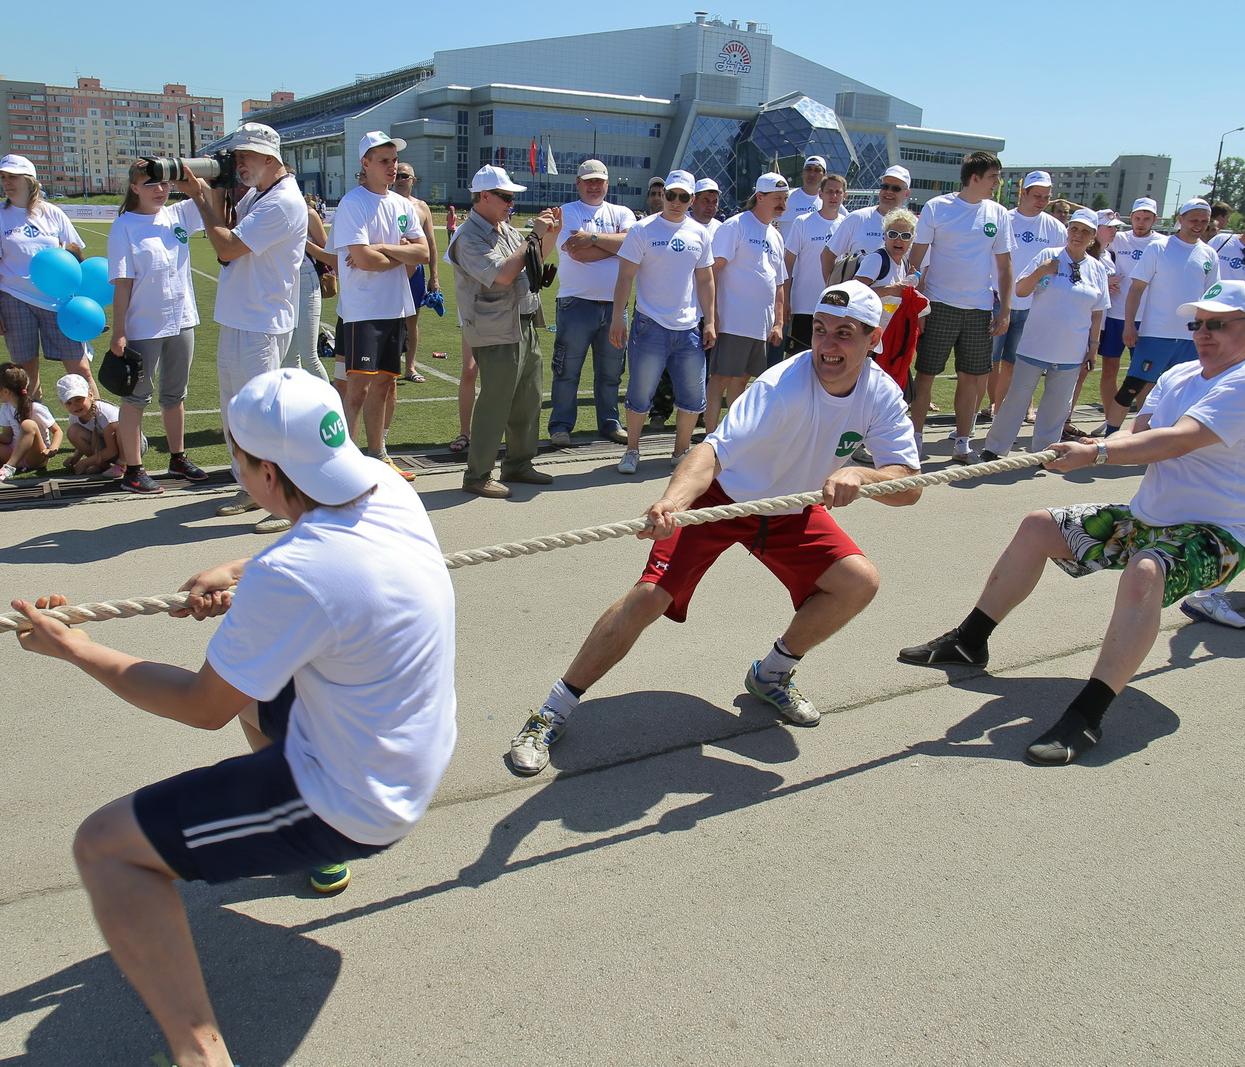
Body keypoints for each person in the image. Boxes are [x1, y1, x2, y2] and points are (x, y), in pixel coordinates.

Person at [12, 368, 456, 1067]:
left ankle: (200, 1055)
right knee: (257, 684)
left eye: (239, 462)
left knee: (105, 846)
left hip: (357, 799)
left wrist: (77, 648)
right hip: (413, 744)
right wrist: (240, 568)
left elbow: (199, 706)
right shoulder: (385, 483)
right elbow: (317, 555)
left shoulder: (296, 573)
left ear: (265, 471)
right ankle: (295, 840)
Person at [507, 281, 922, 775]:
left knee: (858, 582)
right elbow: (710, 453)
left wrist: (863, 474)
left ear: (874, 339)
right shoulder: (780, 387)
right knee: (650, 596)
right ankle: (551, 711)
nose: (828, 345)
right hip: (723, 499)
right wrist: (672, 503)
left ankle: (771, 675)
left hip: (792, 507)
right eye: (819, 330)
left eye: (845, 334)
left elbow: (909, 484)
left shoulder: (882, 394)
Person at [898, 279, 1245, 765]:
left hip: (1217, 534)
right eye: (1198, 324)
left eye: (1218, 324)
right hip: (1149, 519)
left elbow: (1177, 441)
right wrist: (1091, 444)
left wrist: (1096, 452)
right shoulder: (1181, 374)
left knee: (1146, 572)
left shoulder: (1242, 383)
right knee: (1039, 525)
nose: (1203, 333)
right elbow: (1142, 434)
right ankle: (970, 642)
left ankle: (1087, 714)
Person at [182, 122, 308, 533]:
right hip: (241, 316)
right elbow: (228, 251)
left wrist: (202, 198)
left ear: (270, 158)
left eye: (245, 156)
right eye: (236, 157)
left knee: (263, 415)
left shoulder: (284, 202)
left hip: (262, 322)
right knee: (236, 414)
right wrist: (209, 198)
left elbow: (227, 246)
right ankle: (253, 488)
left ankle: (284, 501)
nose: (237, 164)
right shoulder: (260, 194)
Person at [448, 165, 561, 498]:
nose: (511, 203)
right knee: (495, 403)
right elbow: (502, 274)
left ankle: (518, 463)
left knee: (527, 399)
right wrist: (534, 236)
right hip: (496, 329)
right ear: (484, 196)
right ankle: (477, 474)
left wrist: (550, 233)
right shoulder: (468, 237)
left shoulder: (503, 229)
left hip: (522, 322)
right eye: (506, 197)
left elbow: (535, 257)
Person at [106, 161, 210, 495]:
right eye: (150, 183)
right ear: (134, 187)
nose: (160, 190)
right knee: (136, 397)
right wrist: (119, 330)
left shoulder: (178, 215)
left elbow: (209, 193)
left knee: (174, 394)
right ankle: (133, 470)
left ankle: (177, 458)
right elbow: (123, 283)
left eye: (164, 182)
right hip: (144, 325)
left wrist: (182, 171)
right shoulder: (124, 226)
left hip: (182, 319)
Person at [330, 132, 429, 482]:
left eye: (394, 161)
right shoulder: (353, 203)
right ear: (366, 163)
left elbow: (423, 253)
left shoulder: (403, 205)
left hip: (395, 307)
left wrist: (382, 249)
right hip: (363, 311)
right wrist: (396, 252)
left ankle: (377, 454)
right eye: (384, 160)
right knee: (357, 388)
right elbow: (362, 260)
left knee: (386, 384)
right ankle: (344, 463)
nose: (392, 167)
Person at [907, 151, 1015, 463]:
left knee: (972, 377)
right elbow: (916, 261)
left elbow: (1005, 267)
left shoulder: (997, 213)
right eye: (993, 176)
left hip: (979, 310)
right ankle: (915, 439)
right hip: (939, 305)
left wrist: (1004, 309)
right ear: (975, 177)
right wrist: (917, 307)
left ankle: (962, 442)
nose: (997, 183)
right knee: (925, 374)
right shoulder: (937, 207)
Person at [978, 208, 1109, 458]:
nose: (1078, 235)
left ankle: (1045, 452)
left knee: (1057, 406)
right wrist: (1042, 271)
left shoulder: (1097, 269)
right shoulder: (1048, 255)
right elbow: (1021, 290)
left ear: (1092, 237)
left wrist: (1093, 347)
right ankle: (995, 448)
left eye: (1085, 231)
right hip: (1035, 346)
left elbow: (1097, 312)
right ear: (1067, 230)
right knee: (1016, 399)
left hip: (1071, 350)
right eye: (1074, 229)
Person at [610, 169, 715, 474]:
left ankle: (680, 452)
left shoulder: (700, 233)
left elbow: (706, 279)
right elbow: (625, 277)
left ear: (691, 200)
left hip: (689, 328)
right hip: (650, 324)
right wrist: (618, 317)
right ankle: (632, 450)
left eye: (683, 197)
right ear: (663, 194)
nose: (676, 202)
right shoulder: (642, 230)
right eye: (671, 195)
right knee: (640, 393)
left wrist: (710, 321)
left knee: (693, 397)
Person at [1101, 199, 1219, 432]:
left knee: (1183, 392)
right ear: (1180, 219)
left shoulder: (1209, 254)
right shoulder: (1158, 248)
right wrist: (1129, 326)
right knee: (1132, 387)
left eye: (1203, 221)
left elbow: (1211, 298)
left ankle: (1164, 440)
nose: (1198, 225)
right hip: (1156, 333)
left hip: (1190, 338)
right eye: (1193, 220)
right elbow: (1136, 290)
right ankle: (1109, 438)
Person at [547, 159, 637, 446]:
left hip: (615, 304)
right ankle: (560, 426)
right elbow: (577, 253)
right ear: (578, 183)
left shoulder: (623, 212)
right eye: (588, 181)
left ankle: (609, 422)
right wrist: (616, 248)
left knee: (612, 371)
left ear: (607, 183)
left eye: (599, 181)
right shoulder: (568, 212)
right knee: (566, 370)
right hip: (576, 303)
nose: (594, 186)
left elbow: (633, 245)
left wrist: (594, 238)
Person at [0, 154, 96, 402]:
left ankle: (101, 426)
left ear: (30, 180)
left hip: (59, 301)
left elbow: (75, 254)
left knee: (80, 368)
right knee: (25, 372)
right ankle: (35, 431)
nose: (7, 183)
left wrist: (83, 299)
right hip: (14, 299)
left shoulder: (52, 213)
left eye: (13, 177)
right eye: (3, 177)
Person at [705, 173, 789, 434]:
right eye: (777, 198)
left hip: (760, 326)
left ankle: (732, 436)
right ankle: (710, 436)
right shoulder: (735, 225)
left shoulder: (775, 235)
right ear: (760, 197)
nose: (782, 204)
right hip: (733, 321)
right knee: (720, 379)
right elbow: (713, 271)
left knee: (742, 381)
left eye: (785, 199)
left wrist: (779, 322)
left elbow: (779, 284)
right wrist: (713, 316)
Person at [982, 171, 1067, 422]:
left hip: (1034, 305)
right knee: (990, 360)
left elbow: (1059, 265)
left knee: (1017, 361)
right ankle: (995, 404)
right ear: (1023, 193)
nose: (1041, 201)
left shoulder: (1055, 227)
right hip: (999, 301)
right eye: (1036, 195)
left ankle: (1008, 408)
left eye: (1046, 197)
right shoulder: (1004, 219)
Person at [784, 172, 848, 351]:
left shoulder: (848, 224)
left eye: (838, 192)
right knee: (797, 358)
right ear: (820, 194)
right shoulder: (803, 222)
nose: (833, 196)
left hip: (835, 307)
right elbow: (787, 263)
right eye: (829, 192)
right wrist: (785, 300)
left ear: (845, 195)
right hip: (804, 305)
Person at [820, 165, 912, 281]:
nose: (889, 192)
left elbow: (918, 267)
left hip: (895, 298)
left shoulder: (913, 226)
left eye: (896, 188)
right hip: (857, 297)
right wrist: (833, 289)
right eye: (885, 186)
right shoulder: (857, 218)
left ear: (907, 193)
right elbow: (828, 255)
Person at [392, 164, 439, 385]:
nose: (400, 179)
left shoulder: (422, 207)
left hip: (415, 271)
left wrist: (434, 276)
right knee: (388, 319)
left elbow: (431, 244)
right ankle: (387, 365)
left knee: (412, 321)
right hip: (389, 268)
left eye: (404, 176)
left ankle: (410, 366)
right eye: (397, 175)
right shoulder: (386, 202)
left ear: (413, 179)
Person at [285, 194, 332, 385]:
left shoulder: (308, 213)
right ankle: (296, 408)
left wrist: (302, 242)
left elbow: (328, 250)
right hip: (282, 282)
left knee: (309, 354)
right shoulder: (267, 207)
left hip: (305, 278)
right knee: (288, 358)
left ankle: (330, 407)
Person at [854, 207, 919, 331]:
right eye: (893, 234)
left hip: (889, 332)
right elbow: (855, 293)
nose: (898, 240)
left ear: (911, 240)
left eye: (905, 236)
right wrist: (890, 290)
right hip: (868, 332)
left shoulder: (904, 262)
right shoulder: (876, 259)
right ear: (884, 236)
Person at [56, 372, 129, 477]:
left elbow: (112, 450)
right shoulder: (74, 417)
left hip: (130, 446)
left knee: (121, 428)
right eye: (69, 403)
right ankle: (102, 465)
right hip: (106, 447)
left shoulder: (105, 413)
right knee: (73, 431)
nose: (75, 405)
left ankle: (122, 464)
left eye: (79, 399)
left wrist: (85, 462)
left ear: (90, 395)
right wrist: (76, 456)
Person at [0, 361, 61, 481]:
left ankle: (9, 467)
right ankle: (10, 465)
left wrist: (53, 448)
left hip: (36, 457)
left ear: (6, 391)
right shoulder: (5, 408)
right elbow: (7, 437)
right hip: (14, 452)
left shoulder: (36, 408)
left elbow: (58, 431)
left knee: (28, 425)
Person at [775, 155, 825, 242]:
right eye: (808, 169)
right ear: (803, 173)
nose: (812, 174)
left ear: (824, 175)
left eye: (817, 170)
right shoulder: (787, 197)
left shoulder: (828, 200)